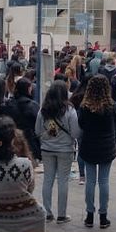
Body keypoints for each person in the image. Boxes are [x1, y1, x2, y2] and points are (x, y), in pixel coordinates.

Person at [34, 81, 80, 223]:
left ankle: (47, 212)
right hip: (65, 149)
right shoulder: (70, 110)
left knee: (48, 179)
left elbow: (37, 131)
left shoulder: (43, 110)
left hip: (47, 149)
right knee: (63, 180)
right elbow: (75, 132)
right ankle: (62, 214)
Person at [77, 74, 116, 229]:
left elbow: (81, 124)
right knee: (104, 181)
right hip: (107, 146)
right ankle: (103, 216)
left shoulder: (84, 107)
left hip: (89, 145)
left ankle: (89, 215)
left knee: (90, 181)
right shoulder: (111, 106)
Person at [3, 77, 41, 162]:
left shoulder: (8, 105)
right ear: (28, 89)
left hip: (11, 141)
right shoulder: (33, 106)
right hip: (30, 142)